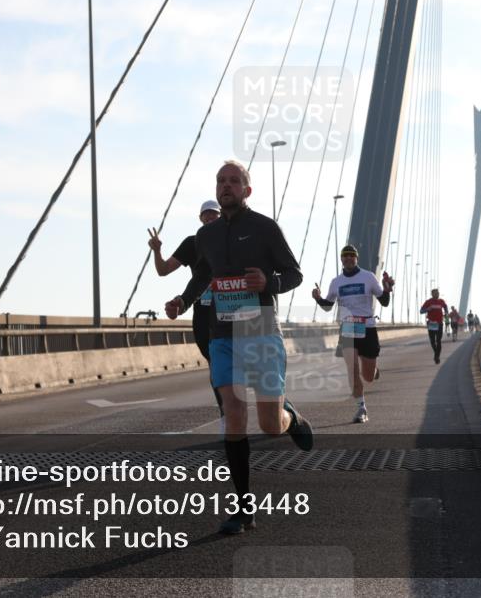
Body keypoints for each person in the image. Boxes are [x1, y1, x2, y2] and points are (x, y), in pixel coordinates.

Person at [164, 160, 313, 535]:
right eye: (221, 181)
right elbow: (203, 276)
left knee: (269, 425)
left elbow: (294, 273)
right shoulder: (206, 236)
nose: (226, 186)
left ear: (247, 190)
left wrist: (269, 283)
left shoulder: (264, 227)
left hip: (259, 329)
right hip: (222, 335)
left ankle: (290, 416)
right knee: (233, 414)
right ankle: (244, 508)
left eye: (234, 181)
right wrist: (182, 301)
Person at [148, 200, 224, 419]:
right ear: (200, 219)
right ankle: (226, 413)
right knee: (214, 364)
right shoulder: (192, 243)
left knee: (231, 362)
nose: (210, 217)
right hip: (202, 310)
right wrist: (157, 250)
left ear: (221, 216)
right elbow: (163, 270)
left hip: (230, 308)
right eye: (206, 214)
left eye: (214, 214)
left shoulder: (230, 240)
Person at [312, 245, 393, 423]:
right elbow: (328, 306)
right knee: (352, 369)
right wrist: (318, 298)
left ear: (356, 258)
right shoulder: (336, 282)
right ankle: (361, 408)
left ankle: (374, 370)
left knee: (368, 376)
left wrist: (387, 288)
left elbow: (385, 302)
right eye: (345, 256)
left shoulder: (368, 277)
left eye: (351, 255)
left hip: (368, 327)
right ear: (341, 259)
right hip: (348, 328)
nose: (348, 258)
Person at [419, 289, 448, 364]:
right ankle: (436, 354)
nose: (437, 294)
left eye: (438, 293)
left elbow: (445, 307)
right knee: (432, 341)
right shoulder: (428, 302)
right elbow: (421, 311)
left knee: (438, 340)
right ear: (432, 294)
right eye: (435, 293)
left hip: (439, 323)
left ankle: (437, 356)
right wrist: (427, 309)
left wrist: (446, 313)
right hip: (431, 324)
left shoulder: (441, 301)